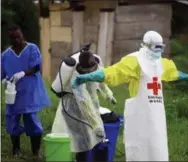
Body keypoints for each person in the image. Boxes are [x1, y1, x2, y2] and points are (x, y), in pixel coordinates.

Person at [72, 31, 188, 161]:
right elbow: (111, 73)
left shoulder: (161, 63)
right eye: (156, 47)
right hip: (139, 118)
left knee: (158, 149)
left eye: (161, 47)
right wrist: (86, 77)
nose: (158, 51)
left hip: (157, 118)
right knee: (140, 152)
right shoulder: (135, 61)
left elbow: (174, 73)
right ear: (146, 45)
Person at [51, 50, 116, 162]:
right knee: (81, 138)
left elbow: (101, 80)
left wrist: (108, 94)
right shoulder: (75, 76)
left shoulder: (97, 61)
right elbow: (83, 101)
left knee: (93, 137)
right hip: (72, 106)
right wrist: (95, 125)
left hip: (89, 100)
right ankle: (80, 159)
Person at [1, 24, 51, 158]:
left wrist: (23, 73)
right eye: (13, 38)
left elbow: (36, 67)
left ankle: (36, 151)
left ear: (22, 34)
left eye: (18, 36)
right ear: (9, 39)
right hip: (13, 94)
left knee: (32, 120)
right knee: (12, 120)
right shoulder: (5, 55)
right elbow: (2, 73)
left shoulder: (32, 48)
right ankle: (16, 150)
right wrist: (4, 80)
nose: (17, 40)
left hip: (29, 92)